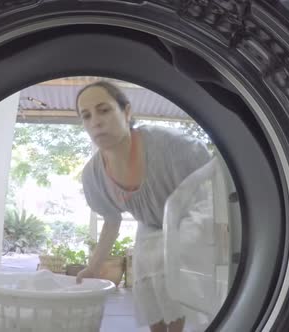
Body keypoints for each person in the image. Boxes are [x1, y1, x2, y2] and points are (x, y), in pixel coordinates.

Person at [74, 81, 211, 332]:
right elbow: (112, 220)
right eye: (86, 115)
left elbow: (209, 195)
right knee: (146, 282)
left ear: (126, 112)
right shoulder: (94, 175)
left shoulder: (174, 147)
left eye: (104, 110)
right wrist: (93, 268)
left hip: (193, 218)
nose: (95, 121)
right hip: (150, 225)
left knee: (168, 271)